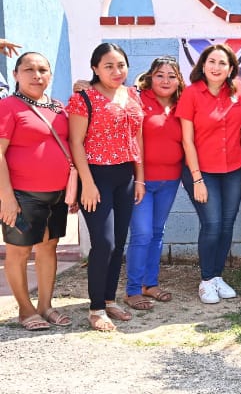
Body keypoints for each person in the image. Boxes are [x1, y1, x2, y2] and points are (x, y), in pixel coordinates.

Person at [67, 43, 145, 331]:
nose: (116, 71)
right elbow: (76, 142)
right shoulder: (84, 97)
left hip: (125, 175)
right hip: (97, 175)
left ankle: (110, 300)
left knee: (119, 243)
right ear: (95, 69)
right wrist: (87, 184)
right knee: (104, 243)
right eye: (108, 66)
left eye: (121, 65)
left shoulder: (132, 94)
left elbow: (137, 139)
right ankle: (96, 308)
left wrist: (140, 178)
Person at [0, 52, 72, 330]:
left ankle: (45, 306)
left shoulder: (57, 107)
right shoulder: (8, 106)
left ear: (50, 75)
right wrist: (6, 197)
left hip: (56, 194)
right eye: (28, 69)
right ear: (16, 74)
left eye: (42, 69)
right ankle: (25, 310)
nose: (36, 75)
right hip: (21, 194)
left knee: (48, 248)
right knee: (19, 251)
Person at [176, 44, 241, 305]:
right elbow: (187, 141)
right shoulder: (191, 94)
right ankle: (206, 280)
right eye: (212, 61)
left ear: (231, 69)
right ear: (202, 65)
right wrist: (197, 178)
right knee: (212, 224)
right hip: (202, 171)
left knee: (227, 225)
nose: (216, 67)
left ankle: (217, 276)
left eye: (222, 63)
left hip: (233, 170)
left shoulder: (239, 94)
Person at [122, 57, 186, 310]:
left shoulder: (183, 103)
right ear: (150, 77)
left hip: (170, 180)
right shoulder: (135, 98)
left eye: (172, 75)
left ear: (179, 80)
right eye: (160, 75)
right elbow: (101, 90)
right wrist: (83, 84)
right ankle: (133, 290)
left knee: (157, 232)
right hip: (141, 180)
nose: (166, 80)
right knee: (142, 233)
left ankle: (151, 283)